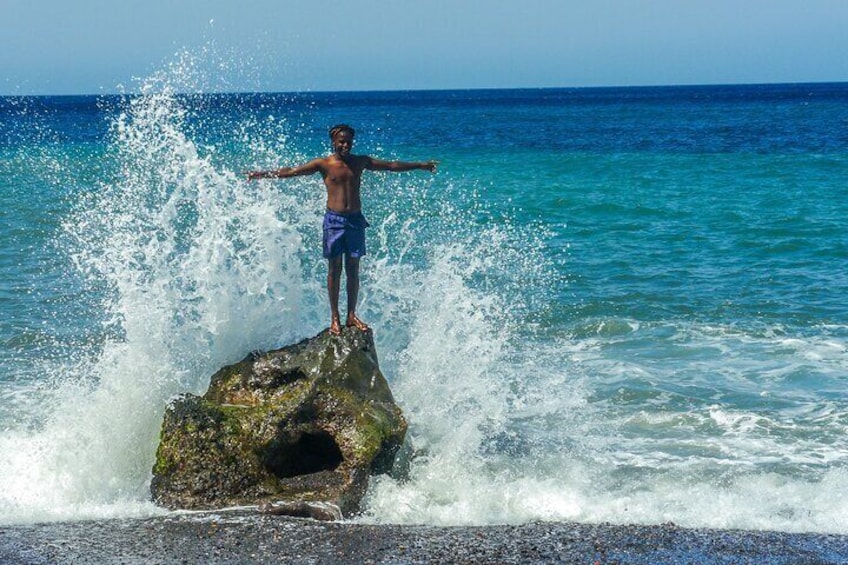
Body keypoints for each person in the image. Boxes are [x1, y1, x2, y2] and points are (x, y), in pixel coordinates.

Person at [247, 124, 437, 336]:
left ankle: (351, 315)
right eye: (341, 142)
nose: (345, 145)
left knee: (353, 270)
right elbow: (292, 171)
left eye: (348, 142)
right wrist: (262, 174)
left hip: (355, 221)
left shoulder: (360, 161)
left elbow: (391, 165)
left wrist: (420, 165)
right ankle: (335, 317)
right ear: (333, 142)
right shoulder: (324, 164)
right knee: (334, 270)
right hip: (334, 221)